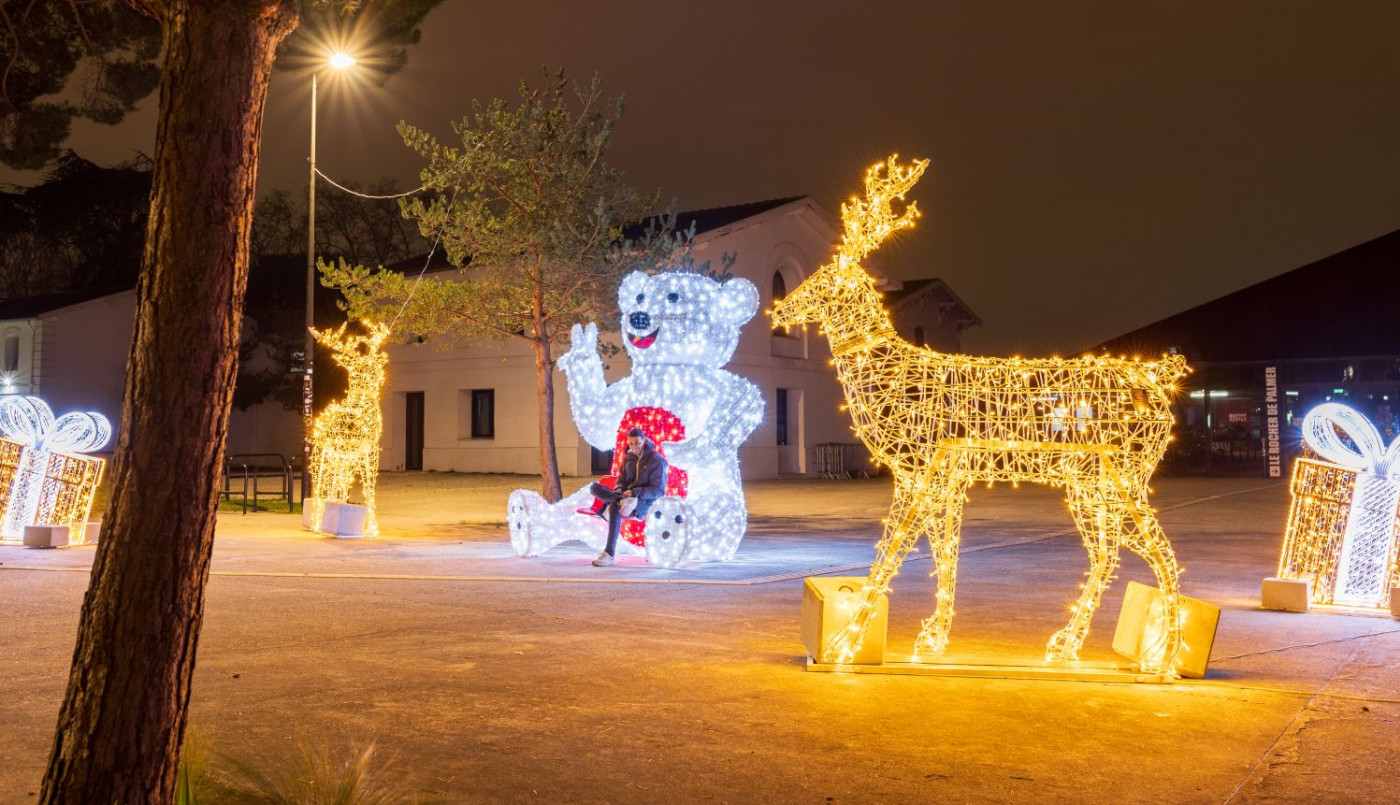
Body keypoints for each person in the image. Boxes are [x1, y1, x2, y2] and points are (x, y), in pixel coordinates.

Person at [590, 428, 668, 566]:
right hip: (625, 499)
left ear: (644, 440)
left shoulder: (656, 459)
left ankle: (608, 553)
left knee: (614, 506)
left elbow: (658, 490)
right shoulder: (629, 457)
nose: (634, 446)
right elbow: (621, 479)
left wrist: (634, 493)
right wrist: (620, 489)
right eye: (631, 443)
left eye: (637, 442)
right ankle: (619, 499)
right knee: (594, 487)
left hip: (643, 501)